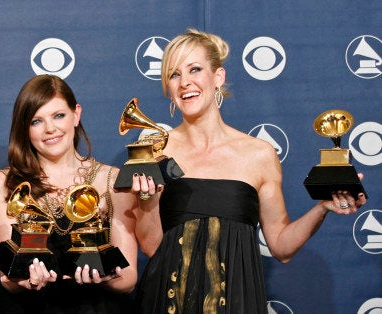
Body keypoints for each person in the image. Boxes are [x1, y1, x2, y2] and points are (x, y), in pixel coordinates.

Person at [131, 29, 367, 314]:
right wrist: (149, 200)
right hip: (167, 302)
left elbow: (281, 246)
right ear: (167, 87)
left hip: (238, 301)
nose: (185, 83)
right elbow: (151, 246)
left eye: (195, 69)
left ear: (217, 77)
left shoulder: (259, 154)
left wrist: (322, 208)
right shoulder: (155, 150)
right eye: (174, 74)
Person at [0, 74, 139, 313]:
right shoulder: (3, 184)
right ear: (24, 128)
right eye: (36, 121)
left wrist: (105, 276)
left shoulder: (111, 180)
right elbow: (8, 275)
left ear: (76, 114)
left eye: (58, 116)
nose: (50, 129)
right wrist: (26, 280)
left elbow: (128, 279)